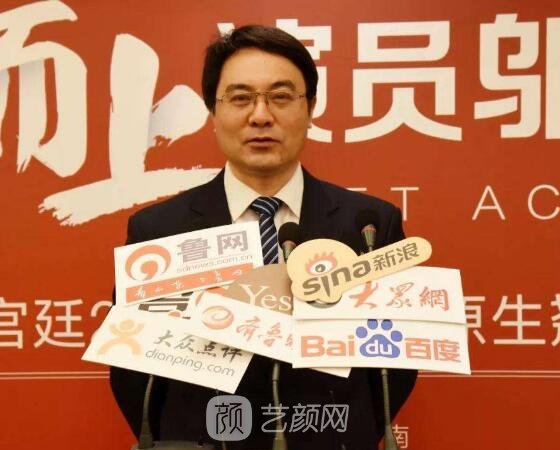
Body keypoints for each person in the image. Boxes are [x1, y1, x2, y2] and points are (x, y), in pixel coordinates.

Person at [110, 25, 417, 450]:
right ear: (213, 111)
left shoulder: (368, 225)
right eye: (240, 98)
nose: (260, 116)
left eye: (281, 97)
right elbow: (134, 375)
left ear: (310, 107)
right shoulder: (160, 230)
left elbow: (393, 369)